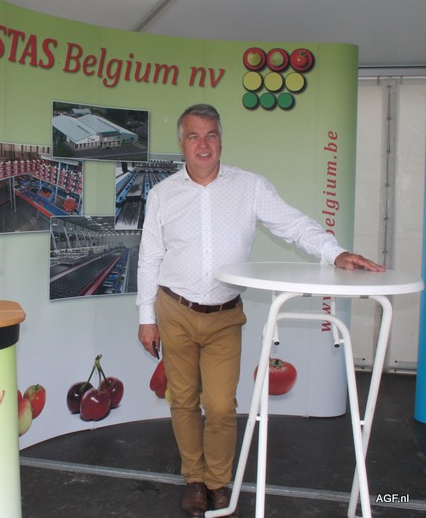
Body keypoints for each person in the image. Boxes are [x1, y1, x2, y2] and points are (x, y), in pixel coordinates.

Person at [136, 103, 384, 517]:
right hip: (174, 310)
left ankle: (218, 483)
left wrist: (336, 253)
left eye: (211, 135)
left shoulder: (249, 187)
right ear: (182, 143)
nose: (203, 144)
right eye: (194, 136)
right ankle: (194, 480)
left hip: (224, 316)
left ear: (221, 140)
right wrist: (147, 317)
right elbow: (149, 258)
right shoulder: (163, 194)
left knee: (220, 405)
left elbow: (293, 225)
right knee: (183, 401)